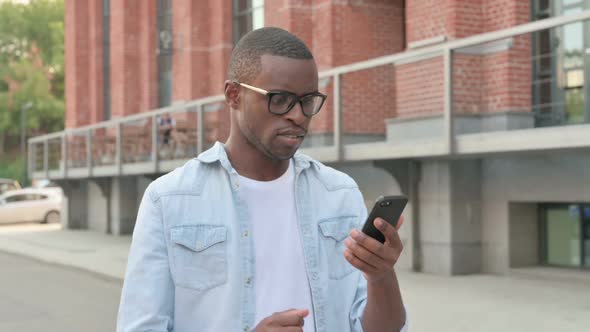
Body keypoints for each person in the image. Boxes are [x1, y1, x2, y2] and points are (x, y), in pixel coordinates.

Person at [117, 27, 407, 332]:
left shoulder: (340, 193)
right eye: (280, 100)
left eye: (308, 100)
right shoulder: (169, 199)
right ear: (234, 95)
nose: (298, 115)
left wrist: (381, 275)